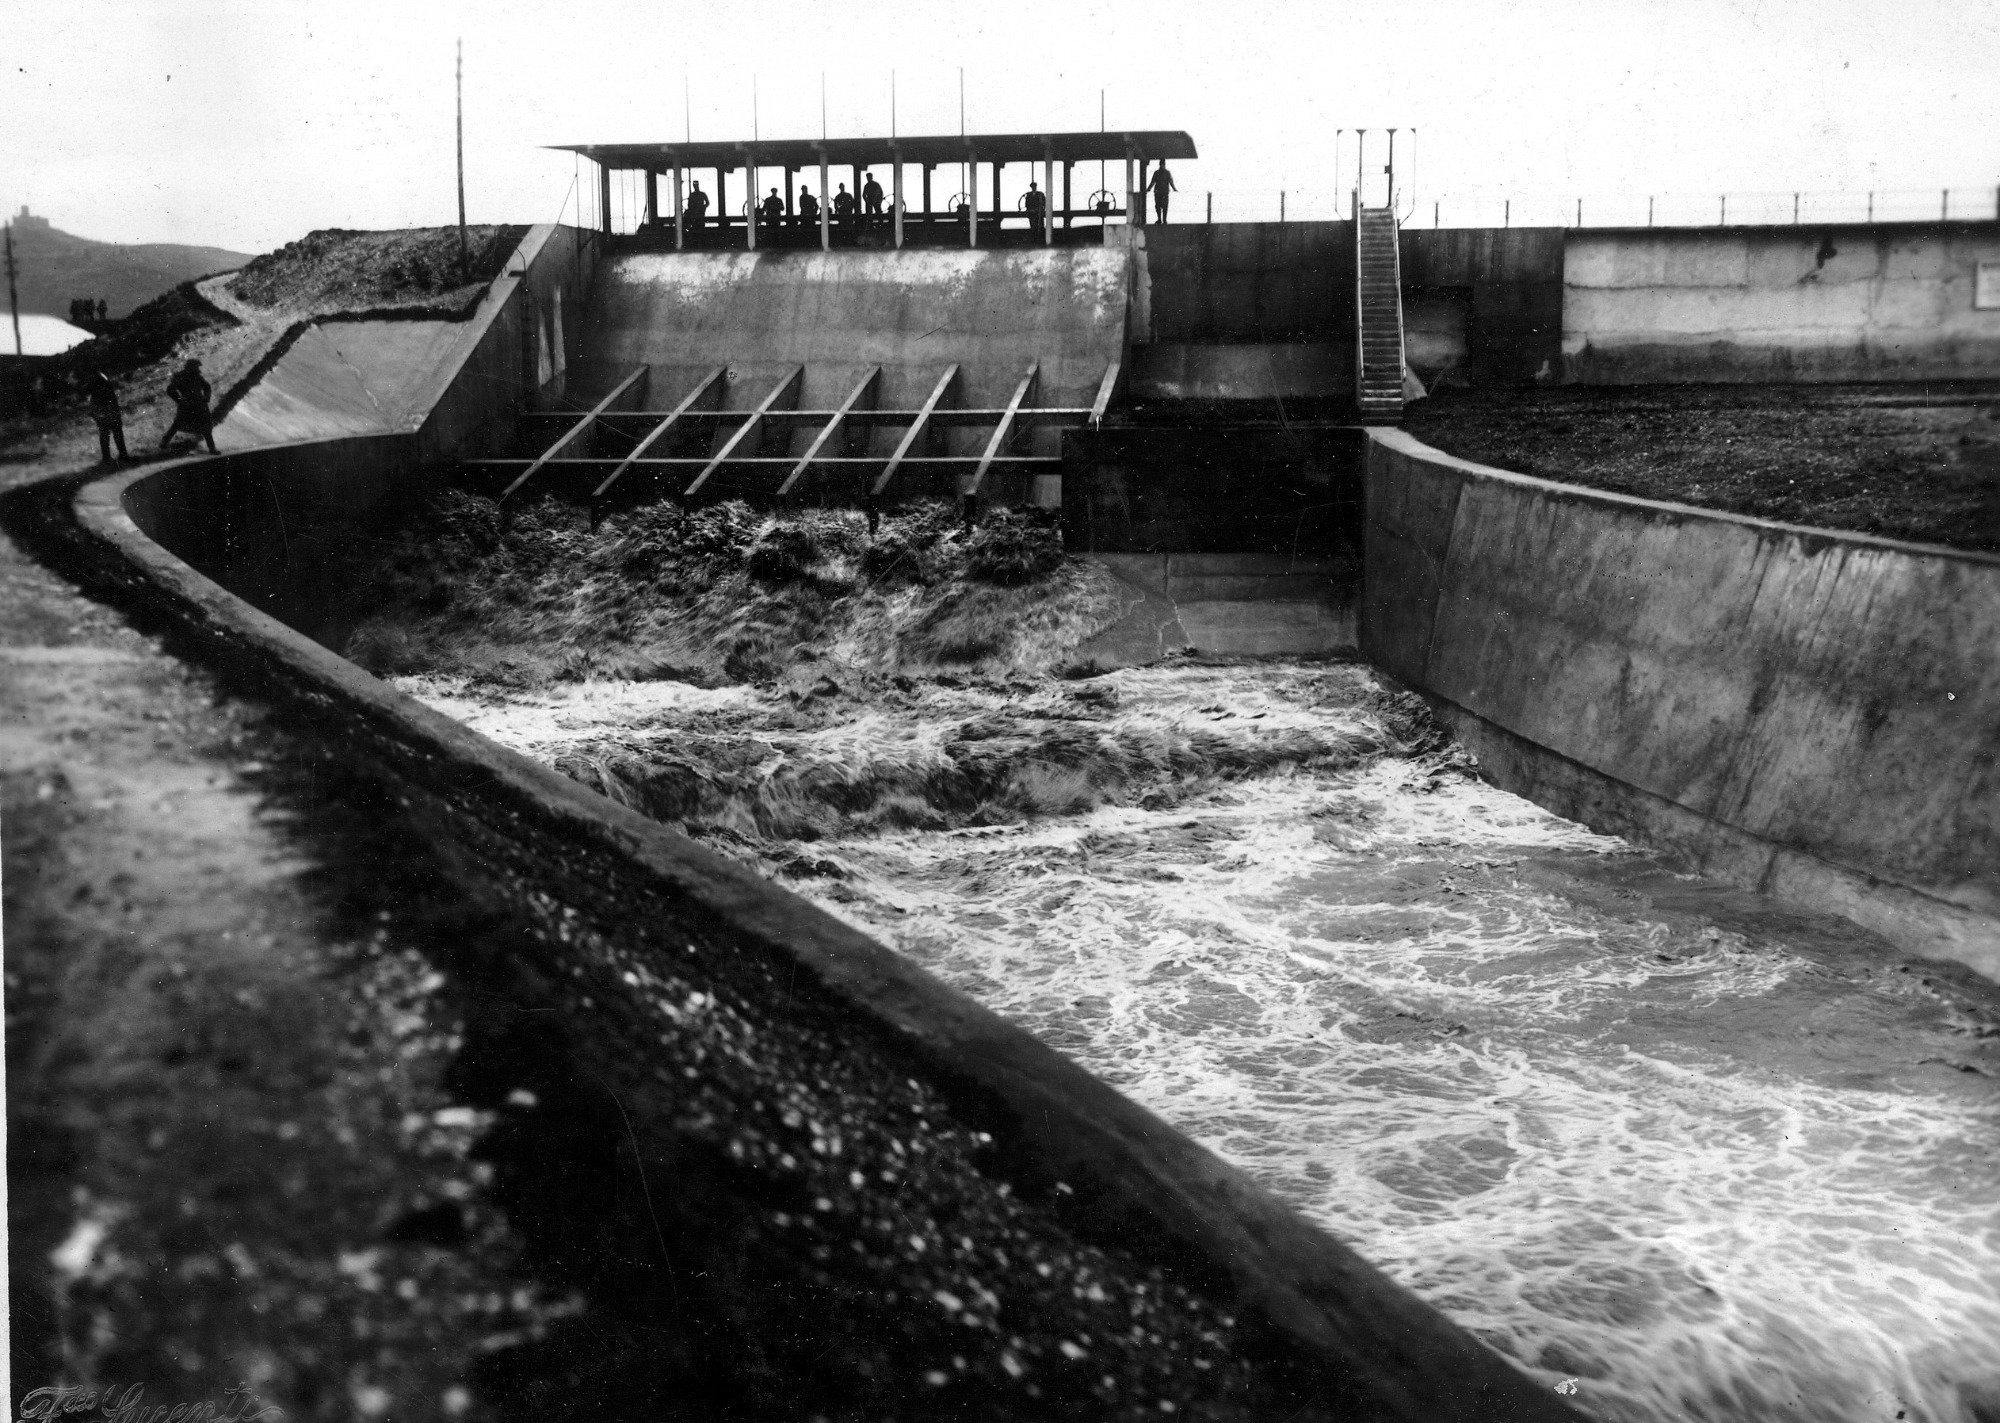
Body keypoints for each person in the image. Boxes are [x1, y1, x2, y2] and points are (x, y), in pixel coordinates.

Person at [159, 358, 218, 454]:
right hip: (187, 405)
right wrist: (180, 400)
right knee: (178, 424)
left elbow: (207, 387)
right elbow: (170, 389)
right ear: (190, 367)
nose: (198, 369)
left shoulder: (198, 377)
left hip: (199, 405)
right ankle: (164, 442)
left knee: (206, 427)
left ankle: (212, 448)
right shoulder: (181, 377)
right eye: (196, 366)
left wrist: (206, 397)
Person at [84, 366, 128, 461]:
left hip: (101, 409)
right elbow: (106, 394)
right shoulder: (100, 377)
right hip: (107, 408)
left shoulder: (95, 378)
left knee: (105, 432)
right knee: (115, 431)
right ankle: (122, 455)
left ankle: (107, 457)